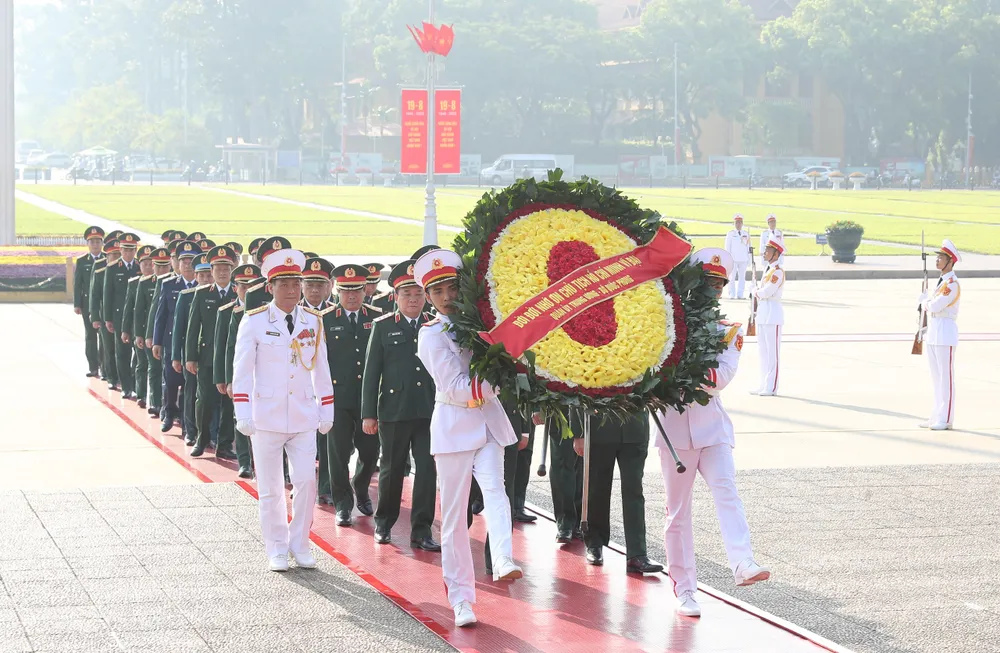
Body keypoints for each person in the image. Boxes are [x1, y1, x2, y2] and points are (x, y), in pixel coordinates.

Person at [656, 247, 771, 618]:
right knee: (678, 514)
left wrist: (678, 369)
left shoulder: (729, 332)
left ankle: (742, 563)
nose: (712, 290)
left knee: (727, 493)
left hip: (712, 429)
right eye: (706, 282)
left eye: (718, 285)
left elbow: (717, 380)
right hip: (675, 433)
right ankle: (684, 590)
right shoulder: (666, 327)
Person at [414, 249, 522, 628]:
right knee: (455, 517)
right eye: (438, 291)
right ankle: (461, 598)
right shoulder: (431, 336)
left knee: (496, 490)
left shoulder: (481, 323)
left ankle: (505, 557)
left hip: (488, 422)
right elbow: (459, 388)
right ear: (428, 297)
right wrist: (501, 370)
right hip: (455, 425)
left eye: (452, 287)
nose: (447, 296)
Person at [232, 248, 334, 572]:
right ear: (270, 287)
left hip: (304, 414)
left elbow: (322, 369)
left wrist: (326, 407)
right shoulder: (255, 321)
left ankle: (300, 543)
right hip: (266, 416)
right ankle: (276, 547)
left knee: (306, 482)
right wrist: (243, 411)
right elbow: (242, 370)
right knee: (271, 488)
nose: (292, 290)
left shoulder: (313, 322)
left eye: (296, 284)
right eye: (284, 284)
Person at [362, 260, 437, 549]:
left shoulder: (434, 324)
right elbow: (371, 373)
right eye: (407, 295)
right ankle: (384, 523)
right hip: (394, 410)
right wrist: (368, 414)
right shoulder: (383, 327)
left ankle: (422, 529)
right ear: (396, 296)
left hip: (429, 410)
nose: (414, 300)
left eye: (418, 294)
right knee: (391, 470)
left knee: (428, 470)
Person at [316, 263, 383, 524]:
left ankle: (362, 488)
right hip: (338, 398)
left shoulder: (377, 317)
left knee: (369, 452)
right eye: (345, 291)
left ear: (365, 290)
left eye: (356, 291)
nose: (352, 297)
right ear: (337, 292)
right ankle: (342, 503)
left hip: (368, 399)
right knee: (338, 452)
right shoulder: (325, 319)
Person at [573, 409, 662, 574]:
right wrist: (578, 432)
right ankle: (595, 543)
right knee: (597, 488)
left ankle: (637, 553)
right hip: (600, 427)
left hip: (634, 427)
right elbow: (576, 387)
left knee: (634, 490)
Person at [186, 246, 238, 458]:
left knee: (229, 404)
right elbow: (192, 328)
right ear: (212, 270)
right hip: (207, 358)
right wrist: (190, 356)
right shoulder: (202, 294)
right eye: (218, 268)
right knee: (205, 401)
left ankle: (224, 445)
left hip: (231, 359)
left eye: (226, 268)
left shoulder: (239, 294)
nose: (223, 272)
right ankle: (202, 438)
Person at [215, 263, 261, 479]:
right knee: (241, 417)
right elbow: (227, 348)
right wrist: (226, 379)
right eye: (244, 286)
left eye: (252, 286)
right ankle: (244, 462)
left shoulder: (267, 312)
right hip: (242, 374)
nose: (247, 290)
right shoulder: (233, 313)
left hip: (264, 375)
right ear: (236, 288)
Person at [153, 240, 199, 433]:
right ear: (178, 264)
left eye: (191, 261)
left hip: (194, 342)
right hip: (172, 341)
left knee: (189, 385)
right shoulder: (169, 284)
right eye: (184, 261)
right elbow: (160, 314)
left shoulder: (203, 285)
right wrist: (156, 340)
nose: (187, 264)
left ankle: (187, 421)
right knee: (171, 382)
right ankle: (169, 412)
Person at [919, 239, 961, 430]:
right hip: (935, 331)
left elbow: (935, 305)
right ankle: (936, 415)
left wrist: (926, 302)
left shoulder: (951, 284)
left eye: (941, 258)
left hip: (945, 332)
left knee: (946, 378)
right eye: (937, 257)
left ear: (950, 261)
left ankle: (946, 419)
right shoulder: (941, 282)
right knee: (936, 377)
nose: (937, 260)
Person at [173, 252, 213, 446]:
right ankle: (190, 431)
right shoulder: (187, 296)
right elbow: (179, 328)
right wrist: (177, 356)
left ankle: (209, 433)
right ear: (195, 277)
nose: (205, 279)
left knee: (208, 397)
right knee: (190, 393)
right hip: (190, 354)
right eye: (202, 276)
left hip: (209, 355)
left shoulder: (218, 296)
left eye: (208, 275)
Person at [103, 232, 142, 400]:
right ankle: (126, 386)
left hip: (137, 316)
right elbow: (107, 295)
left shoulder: (140, 267)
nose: (128, 253)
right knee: (122, 352)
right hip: (119, 317)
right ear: (121, 250)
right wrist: (108, 318)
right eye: (125, 250)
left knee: (138, 353)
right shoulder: (112, 268)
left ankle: (134, 384)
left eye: (131, 250)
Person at [133, 247, 171, 417]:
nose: (162, 270)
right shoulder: (145, 283)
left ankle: (167, 404)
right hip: (151, 333)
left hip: (168, 333)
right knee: (154, 369)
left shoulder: (172, 282)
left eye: (165, 266)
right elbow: (142, 311)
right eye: (158, 266)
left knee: (167, 372)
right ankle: (155, 402)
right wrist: (144, 334)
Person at [122, 245, 155, 408]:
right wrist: (126, 330)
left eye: (151, 263)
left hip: (156, 330)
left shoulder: (160, 282)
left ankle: (156, 399)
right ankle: (141, 394)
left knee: (155, 367)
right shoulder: (135, 283)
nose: (148, 267)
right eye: (145, 264)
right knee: (141, 363)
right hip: (140, 329)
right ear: (139, 265)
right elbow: (130, 309)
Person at [751, 239, 784, 397]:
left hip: (773, 313)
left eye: (767, 250)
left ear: (776, 253)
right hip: (763, 313)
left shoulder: (777, 271)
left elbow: (767, 292)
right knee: (763, 352)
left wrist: (756, 291)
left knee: (773, 354)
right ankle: (763, 384)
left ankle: (772, 386)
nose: (764, 253)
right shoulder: (767, 270)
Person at [74, 226, 105, 378]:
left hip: (104, 306)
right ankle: (93, 366)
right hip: (87, 306)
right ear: (87, 243)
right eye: (92, 241)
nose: (95, 244)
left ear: (102, 243)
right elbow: (77, 284)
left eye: (98, 241)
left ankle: (105, 366)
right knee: (91, 336)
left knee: (105, 338)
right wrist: (77, 304)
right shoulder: (82, 261)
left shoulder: (108, 260)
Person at [91, 236, 122, 390]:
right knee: (109, 348)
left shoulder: (125, 270)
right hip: (105, 316)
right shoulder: (100, 272)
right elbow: (95, 296)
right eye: (113, 255)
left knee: (121, 350)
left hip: (121, 316)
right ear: (107, 256)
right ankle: (111, 376)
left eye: (118, 255)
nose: (116, 258)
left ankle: (122, 377)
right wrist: (95, 317)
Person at [724, 214, 751, 299]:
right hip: (733, 259)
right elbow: (727, 247)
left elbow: (748, 247)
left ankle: (740, 294)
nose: (738, 224)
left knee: (742, 277)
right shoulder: (731, 234)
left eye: (740, 222)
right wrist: (727, 259)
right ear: (734, 224)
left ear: (742, 223)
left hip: (743, 259)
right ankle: (732, 293)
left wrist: (749, 259)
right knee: (732, 277)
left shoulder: (746, 234)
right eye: (737, 223)